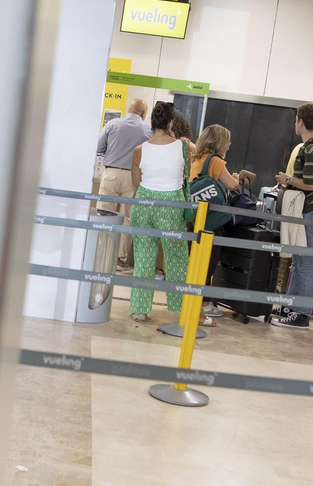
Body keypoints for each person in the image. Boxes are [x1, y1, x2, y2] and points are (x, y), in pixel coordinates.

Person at [271, 103, 313, 330]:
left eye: (296, 119)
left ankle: (302, 315)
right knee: (299, 263)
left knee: (305, 264)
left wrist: (288, 180)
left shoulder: (312, 149)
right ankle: (290, 308)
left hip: (311, 212)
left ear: (301, 122)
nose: (295, 123)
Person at [128, 103, 191, 323]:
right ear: (171, 123)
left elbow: (136, 182)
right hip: (172, 202)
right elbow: (187, 176)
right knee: (176, 257)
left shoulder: (140, 150)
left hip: (144, 201)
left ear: (151, 123)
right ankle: (179, 307)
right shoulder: (183, 147)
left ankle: (139, 309)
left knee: (144, 256)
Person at [188, 124, 245, 326]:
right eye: (227, 141)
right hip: (212, 219)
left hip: (194, 219)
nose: (229, 145)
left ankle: (196, 303)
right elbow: (232, 185)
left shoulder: (197, 158)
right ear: (220, 142)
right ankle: (201, 306)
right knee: (208, 263)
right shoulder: (216, 161)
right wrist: (237, 178)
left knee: (196, 263)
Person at [94, 98, 150, 269]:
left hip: (111, 172)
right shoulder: (148, 130)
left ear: (128, 110)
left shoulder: (113, 124)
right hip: (134, 177)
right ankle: (120, 259)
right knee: (128, 218)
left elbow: (98, 146)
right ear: (143, 113)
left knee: (104, 214)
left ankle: (99, 255)